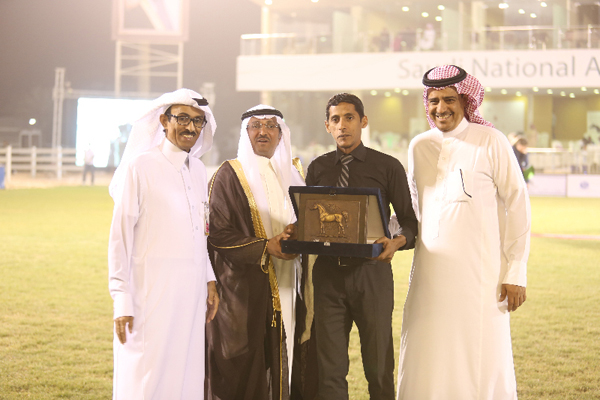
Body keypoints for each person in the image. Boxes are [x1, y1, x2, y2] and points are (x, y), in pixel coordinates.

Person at [397, 65, 531, 399]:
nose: (440, 108)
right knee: (427, 346)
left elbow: (517, 204)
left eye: (449, 99)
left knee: (479, 351)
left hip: (480, 275)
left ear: (466, 100)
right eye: (433, 101)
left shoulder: (491, 141)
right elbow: (415, 210)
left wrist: (515, 272)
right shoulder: (419, 146)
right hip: (429, 274)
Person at [107, 88, 219, 399]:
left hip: (192, 294)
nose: (191, 128)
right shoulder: (140, 166)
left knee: (187, 375)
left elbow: (200, 231)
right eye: (182, 118)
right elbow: (120, 238)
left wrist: (209, 279)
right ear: (163, 121)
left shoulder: (197, 169)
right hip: (149, 293)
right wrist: (122, 299)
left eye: (198, 121)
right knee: (146, 376)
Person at [305, 93, 418, 400]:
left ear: (363, 121)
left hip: (372, 276)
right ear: (328, 126)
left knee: (379, 367)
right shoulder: (317, 168)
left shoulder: (388, 166)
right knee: (329, 370)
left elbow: (410, 222)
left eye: (350, 118)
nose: (343, 125)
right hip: (328, 278)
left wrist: (396, 242)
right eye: (336, 119)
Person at [206, 105, 311, 400]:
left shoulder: (293, 175)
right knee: (245, 363)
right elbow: (217, 234)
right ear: (245, 133)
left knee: (287, 351)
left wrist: (296, 233)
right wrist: (266, 247)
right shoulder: (229, 175)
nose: (263, 131)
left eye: (270, 126)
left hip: (291, 283)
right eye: (255, 126)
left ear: (281, 134)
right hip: (245, 289)